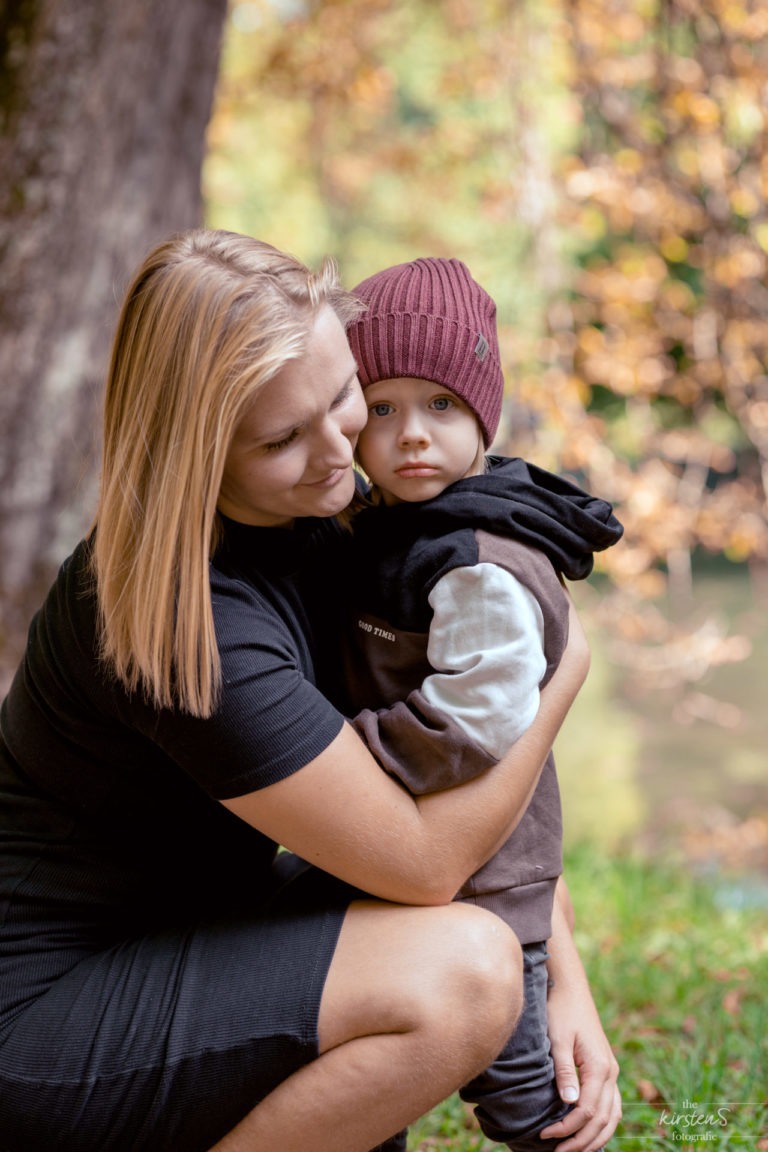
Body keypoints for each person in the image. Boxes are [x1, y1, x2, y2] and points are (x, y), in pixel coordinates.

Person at [0, 229, 620, 1152]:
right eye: (283, 439)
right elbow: (423, 861)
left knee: (445, 944)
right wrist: (560, 674)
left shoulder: (332, 523)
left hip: (197, 936)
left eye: (343, 399)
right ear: (199, 453)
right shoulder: (187, 619)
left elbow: (464, 765)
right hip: (45, 1022)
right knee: (460, 971)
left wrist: (566, 982)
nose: (339, 453)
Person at [343, 256, 623, 1151]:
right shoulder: (399, 526)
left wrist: (351, 751)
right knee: (372, 1061)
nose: (411, 436)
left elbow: (479, 714)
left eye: (440, 406)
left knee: (524, 1087)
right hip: (421, 858)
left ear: (482, 415)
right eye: (382, 409)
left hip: (491, 875)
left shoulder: (474, 561)